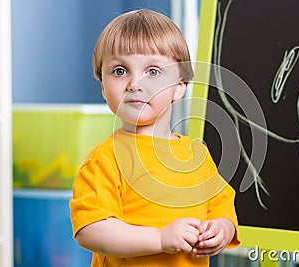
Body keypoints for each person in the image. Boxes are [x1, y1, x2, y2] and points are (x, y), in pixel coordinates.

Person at [69, 9, 239, 267]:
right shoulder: (106, 159)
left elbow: (221, 207)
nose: (134, 83)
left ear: (179, 86)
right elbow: (91, 229)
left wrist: (222, 230)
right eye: (119, 71)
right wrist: (159, 238)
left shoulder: (198, 156)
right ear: (103, 86)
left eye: (153, 71)